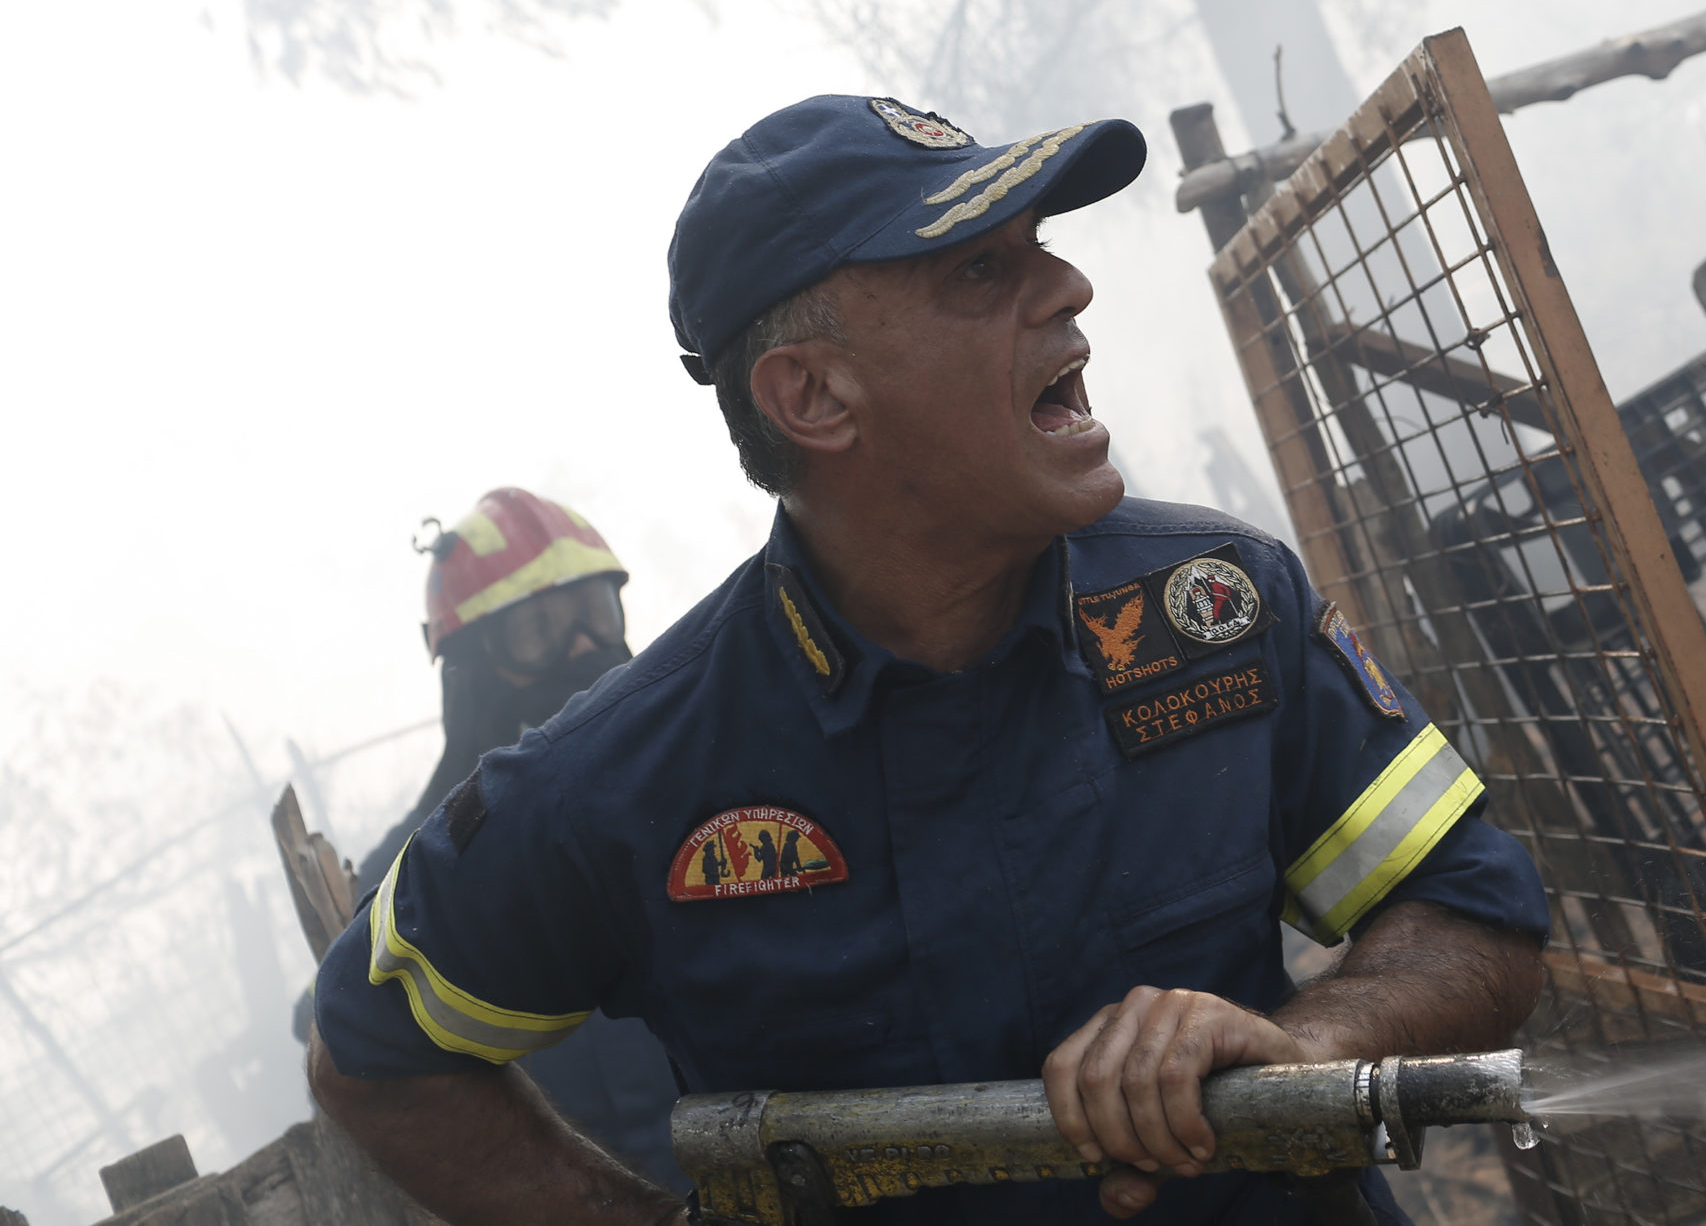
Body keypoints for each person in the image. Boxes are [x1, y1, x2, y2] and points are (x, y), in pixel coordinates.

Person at [306, 95, 1552, 1225]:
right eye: (978, 270)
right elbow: (372, 1052)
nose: (1068, 286)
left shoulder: (1212, 607)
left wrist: (1313, 1036)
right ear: (814, 397)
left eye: (1043, 245)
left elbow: (1475, 916)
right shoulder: (623, 779)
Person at [331, 488, 688, 1189]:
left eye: (595, 612)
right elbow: (336, 1014)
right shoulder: (417, 867)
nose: (583, 647)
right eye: (540, 628)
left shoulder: (698, 771)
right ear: (470, 675)